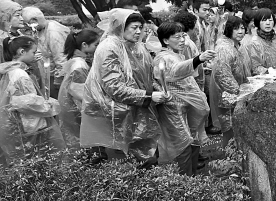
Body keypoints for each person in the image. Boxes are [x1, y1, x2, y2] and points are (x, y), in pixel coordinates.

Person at [80, 9, 168, 167]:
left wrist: (158, 89)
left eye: (141, 27)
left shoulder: (137, 47)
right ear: (120, 26)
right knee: (127, 162)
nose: (138, 31)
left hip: (139, 108)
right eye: (134, 27)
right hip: (117, 113)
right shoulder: (109, 48)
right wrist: (148, 96)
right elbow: (113, 87)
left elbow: (146, 77)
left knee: (148, 155)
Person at [153, 22, 216, 176]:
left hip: (186, 106)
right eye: (177, 37)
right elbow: (176, 71)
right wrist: (198, 59)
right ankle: (185, 181)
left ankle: (192, 176)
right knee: (183, 145)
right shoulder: (163, 57)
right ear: (166, 40)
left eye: (183, 36)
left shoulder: (176, 54)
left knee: (192, 140)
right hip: (174, 108)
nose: (182, 40)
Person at [0, 36, 65, 164]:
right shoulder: (19, 73)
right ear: (21, 52)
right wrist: (48, 105)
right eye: (33, 52)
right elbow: (26, 102)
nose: (35, 55)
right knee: (34, 158)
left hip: (20, 123)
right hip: (29, 124)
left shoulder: (11, 70)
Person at [210, 16, 248, 148]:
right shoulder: (225, 48)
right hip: (228, 96)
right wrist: (241, 92)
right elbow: (223, 76)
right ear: (228, 30)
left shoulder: (234, 45)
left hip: (235, 94)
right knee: (229, 130)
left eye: (242, 28)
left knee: (235, 129)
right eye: (236, 28)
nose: (240, 31)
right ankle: (229, 161)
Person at [58, 30, 100, 148]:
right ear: (84, 45)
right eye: (95, 45)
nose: (97, 47)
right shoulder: (79, 65)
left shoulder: (76, 60)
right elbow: (80, 93)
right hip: (75, 109)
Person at [22, 7, 70, 99]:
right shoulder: (42, 29)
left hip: (56, 77)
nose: (27, 26)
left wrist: (59, 81)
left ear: (34, 20)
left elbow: (61, 58)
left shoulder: (53, 32)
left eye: (27, 23)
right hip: (48, 74)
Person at [245, 8, 276, 75]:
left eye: (270, 20)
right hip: (261, 80)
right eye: (264, 20)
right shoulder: (253, 42)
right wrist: (270, 72)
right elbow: (254, 66)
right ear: (258, 22)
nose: (268, 23)